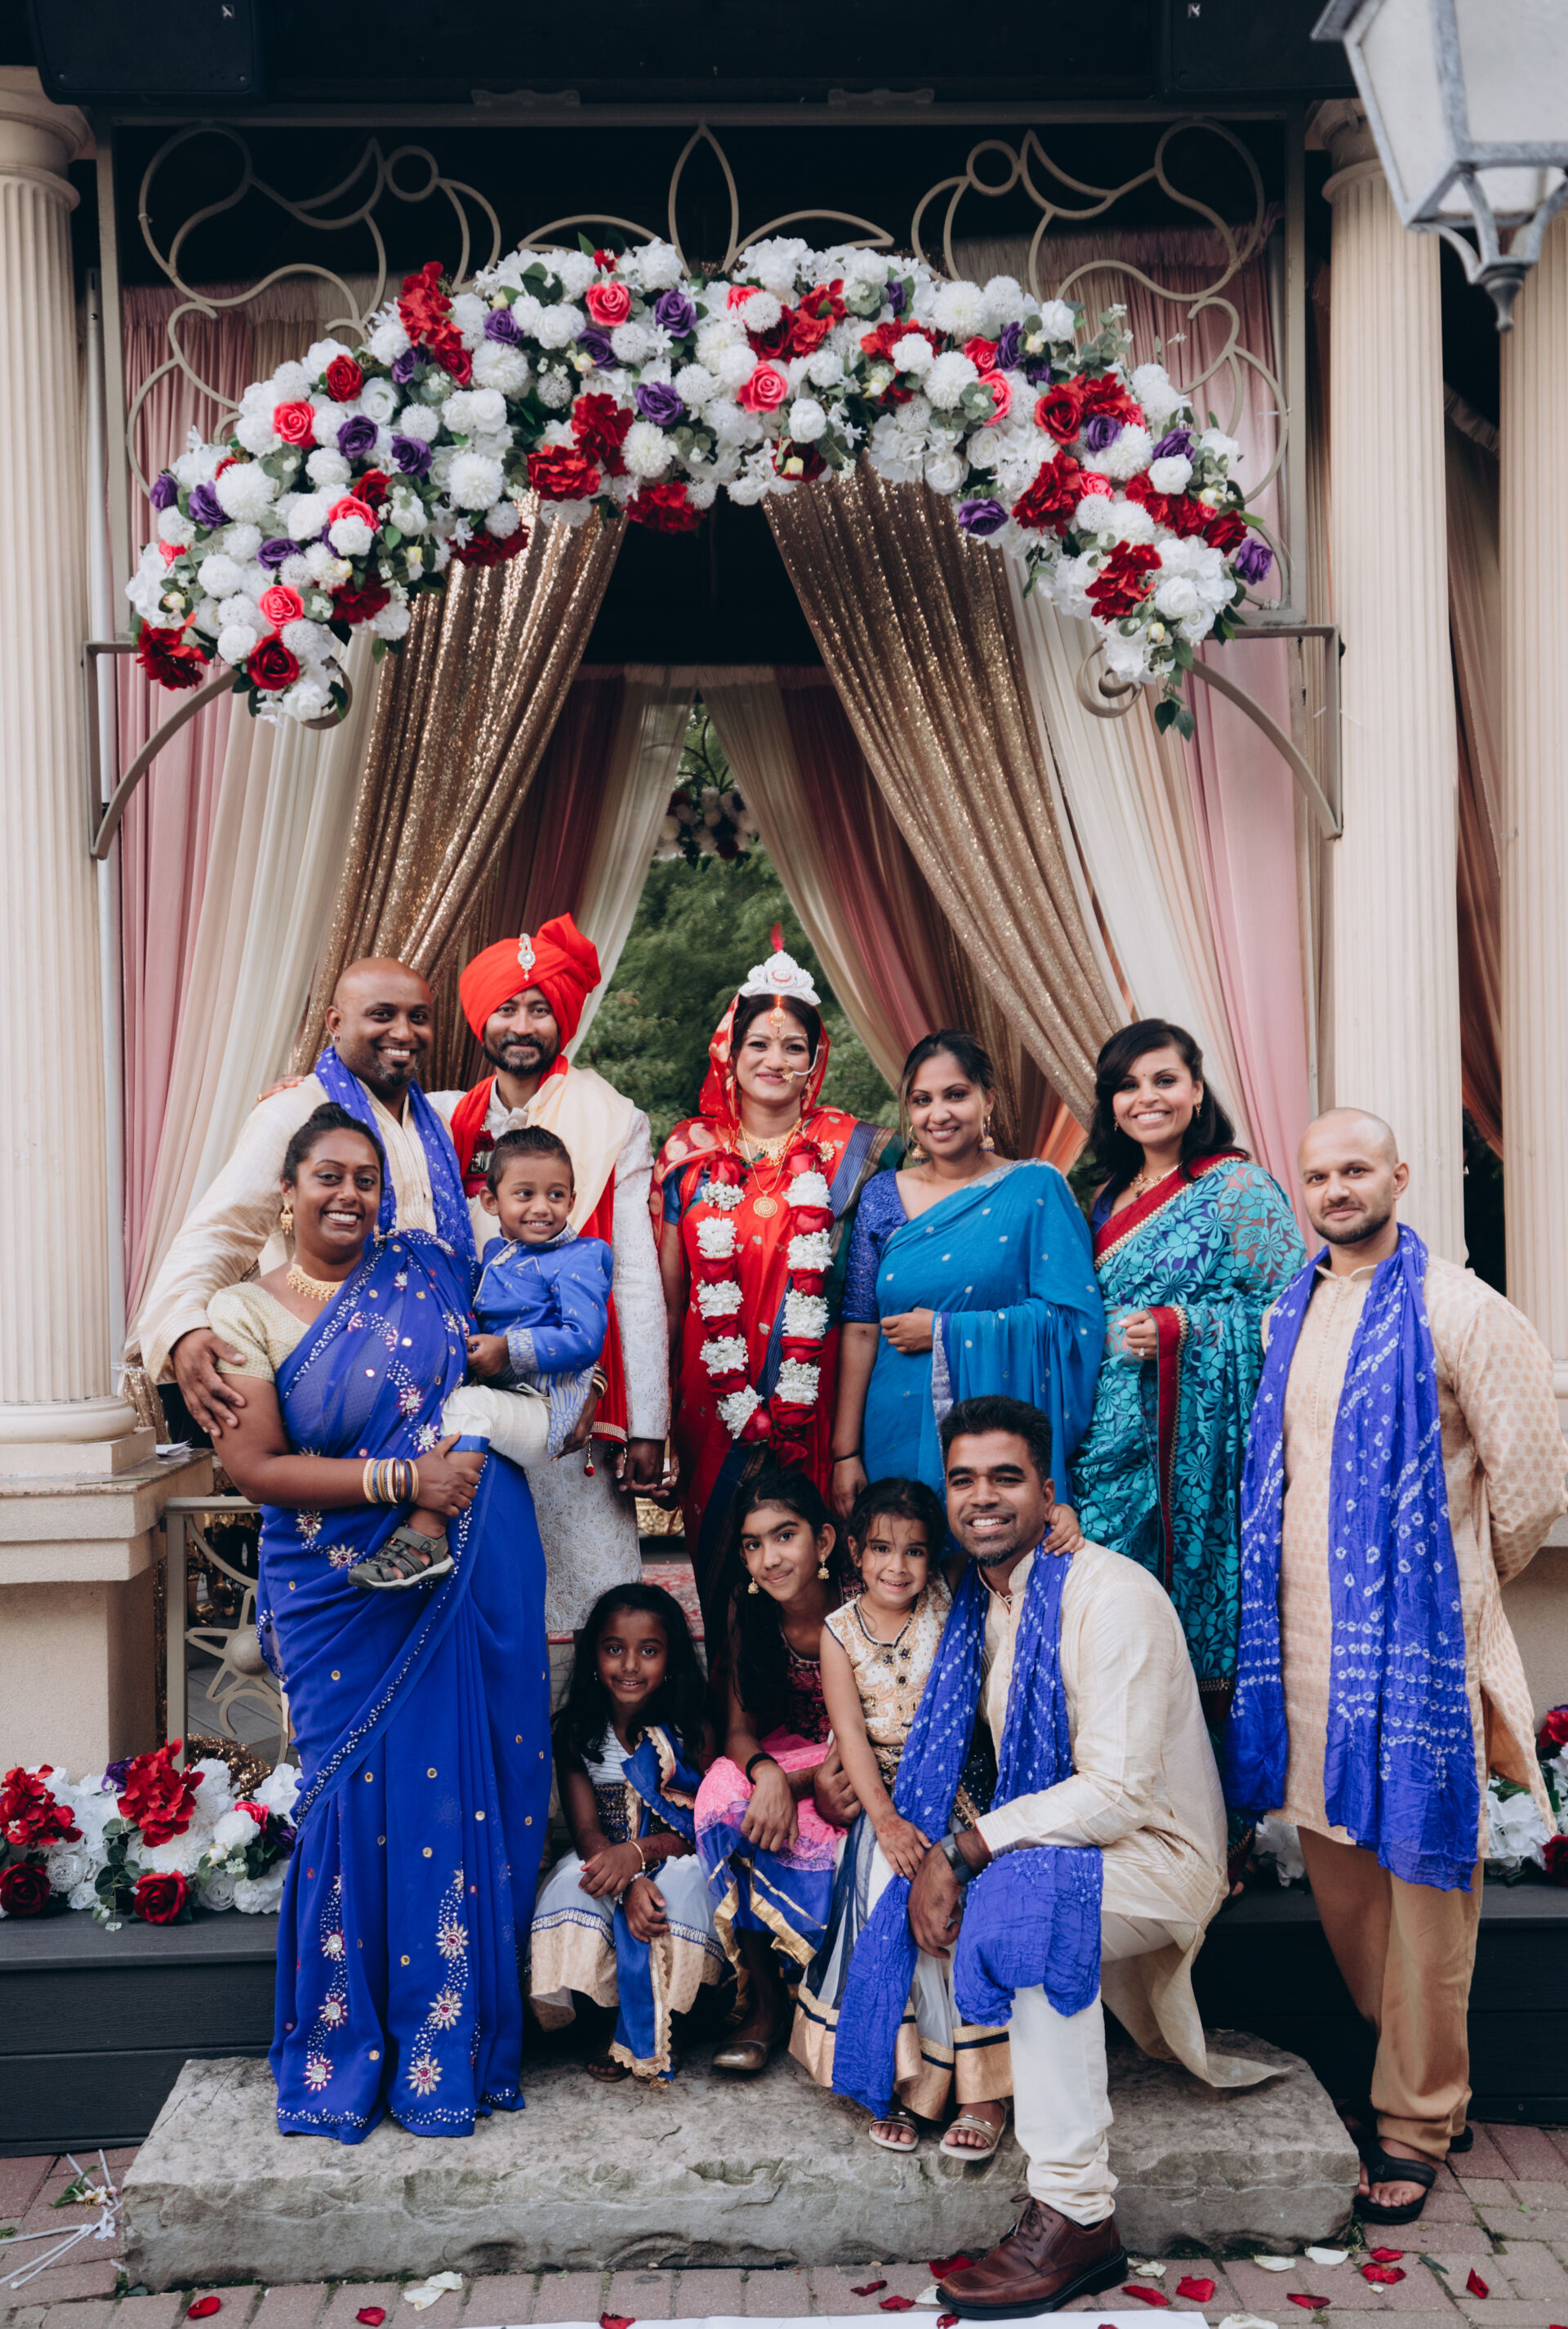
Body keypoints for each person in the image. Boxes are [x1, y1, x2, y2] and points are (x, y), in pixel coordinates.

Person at [827, 1395, 1272, 2319]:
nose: (982, 1496)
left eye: (1007, 1477)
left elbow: (1120, 1791)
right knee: (1003, 1889)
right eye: (964, 1479)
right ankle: (960, 2088)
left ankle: (1076, 2214)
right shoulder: (979, 1603)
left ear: (1048, 1490)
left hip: (1157, 1854)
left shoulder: (1110, 1596)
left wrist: (966, 1849)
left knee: (1023, 1908)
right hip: (1064, 1853)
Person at [1226, 1109, 1566, 2225]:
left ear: (1399, 1175)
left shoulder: (1460, 1307)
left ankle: (1415, 2119)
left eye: (1355, 1168)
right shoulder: (1290, 1307)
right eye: (1317, 1173)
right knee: (1347, 1891)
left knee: (1426, 1892)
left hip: (1416, 1654)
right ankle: (1424, 2076)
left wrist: (1448, 1584)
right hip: (1308, 1655)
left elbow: (1532, 1481)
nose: (1336, 1188)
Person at [207, 1104, 551, 2140]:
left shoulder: (427, 1269)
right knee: (347, 1798)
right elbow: (255, 1466)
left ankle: (446, 2043)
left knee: (454, 1793)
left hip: (459, 1559)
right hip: (331, 1585)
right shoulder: (241, 1311)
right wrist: (407, 1481)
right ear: (288, 1190)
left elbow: (535, 1331)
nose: (350, 1194)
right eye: (328, 1175)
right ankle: (341, 2042)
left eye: (366, 1178)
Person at [429, 914, 670, 1636]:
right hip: (470, 1390)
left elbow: (634, 1277)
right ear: (481, 1018)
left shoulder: (611, 1117)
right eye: (507, 1007)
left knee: (595, 1591)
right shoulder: (446, 1120)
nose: (523, 1024)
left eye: (539, 1007)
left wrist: (647, 1423)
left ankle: (596, 1713)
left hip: (573, 1390)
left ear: (561, 1018)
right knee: (488, 1595)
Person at [1071, 1020, 1305, 1744]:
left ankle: (1204, 1797)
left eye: (1165, 1080)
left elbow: (1293, 1315)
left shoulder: (1237, 1186)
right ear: (1111, 1104)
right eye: (1128, 1085)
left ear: (1197, 1090)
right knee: (1107, 1618)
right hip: (1104, 1447)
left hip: (1194, 1452)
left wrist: (1184, 1328)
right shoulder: (1106, 1198)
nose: (1147, 1097)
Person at [656, 943, 902, 1631]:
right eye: (759, 1044)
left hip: (816, 1400)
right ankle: (730, 1695)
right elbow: (667, 1304)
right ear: (729, 1053)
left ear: (815, 1061)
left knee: (818, 1572)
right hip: (711, 1403)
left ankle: (824, 1692)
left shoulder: (856, 1150)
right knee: (725, 1576)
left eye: (795, 1047)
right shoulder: (687, 1154)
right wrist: (656, 1422)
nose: (775, 1059)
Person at [134, 959, 475, 1439]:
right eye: (382, 1015)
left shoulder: (436, 1123)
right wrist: (183, 1328)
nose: (404, 1032)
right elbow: (223, 1230)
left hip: (439, 1384)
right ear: (335, 1022)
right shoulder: (293, 1110)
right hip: (333, 1385)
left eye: (418, 1017)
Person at [794, 1476, 1012, 2157]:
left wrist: (1057, 1517)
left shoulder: (950, 1593)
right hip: (887, 1797)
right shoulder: (838, 1633)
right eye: (882, 1549)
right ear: (855, 1552)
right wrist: (884, 1821)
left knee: (967, 1906)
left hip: (962, 1788)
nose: (898, 1566)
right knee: (885, 1894)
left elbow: (1000, 1544)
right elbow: (853, 1739)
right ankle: (907, 2083)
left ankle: (983, 2091)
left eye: (915, 1551)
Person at [831, 1032, 1102, 1521]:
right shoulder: (881, 1195)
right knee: (904, 1554)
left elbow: (1072, 1323)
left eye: (955, 1095)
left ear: (987, 1100)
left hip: (998, 1436)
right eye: (922, 1100)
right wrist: (845, 1452)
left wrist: (944, 1331)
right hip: (894, 1425)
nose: (938, 1114)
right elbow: (861, 1328)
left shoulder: (1035, 1188)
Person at [530, 1582, 722, 2085]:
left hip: (675, 1852)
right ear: (593, 1656)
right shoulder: (577, 1731)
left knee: (680, 1892)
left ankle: (670, 2020)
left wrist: (639, 1858)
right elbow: (585, 1829)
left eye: (649, 1651)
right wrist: (627, 1878)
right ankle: (605, 2017)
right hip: (604, 1854)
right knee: (573, 1887)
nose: (630, 1665)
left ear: (672, 1660)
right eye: (614, 1649)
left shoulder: (692, 1731)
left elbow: (701, 1827)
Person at [693, 1469, 849, 2074]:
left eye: (785, 1536)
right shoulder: (748, 1604)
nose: (769, 1559)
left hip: (861, 1755)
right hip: (791, 1752)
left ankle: (826, 1997)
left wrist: (798, 1783)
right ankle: (764, 2003)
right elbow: (738, 1729)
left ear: (824, 1540)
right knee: (723, 1796)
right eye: (753, 1544)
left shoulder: (863, 1591)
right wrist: (768, 1775)